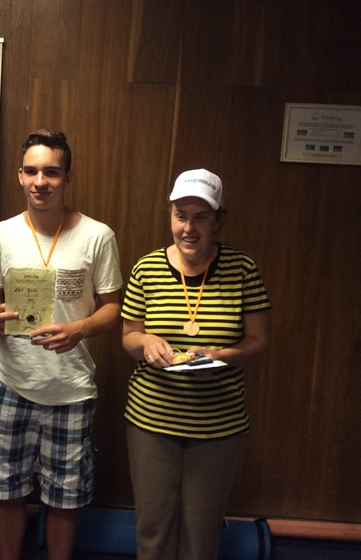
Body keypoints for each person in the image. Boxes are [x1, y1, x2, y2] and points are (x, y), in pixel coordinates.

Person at [0, 129, 123, 560]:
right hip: (9, 383)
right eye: (31, 171)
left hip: (70, 388)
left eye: (51, 172)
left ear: (68, 177)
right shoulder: (2, 234)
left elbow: (113, 309)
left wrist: (79, 329)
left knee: (66, 497)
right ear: (20, 176)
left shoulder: (98, 236)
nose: (40, 181)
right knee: (5, 490)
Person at [121, 168, 272, 560]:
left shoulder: (242, 269)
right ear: (170, 217)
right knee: (153, 529)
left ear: (218, 220)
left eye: (200, 217)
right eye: (180, 216)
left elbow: (258, 340)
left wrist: (224, 356)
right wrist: (146, 342)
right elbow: (129, 336)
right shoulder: (147, 267)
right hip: (152, 421)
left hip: (218, 425)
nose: (188, 228)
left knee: (202, 532)